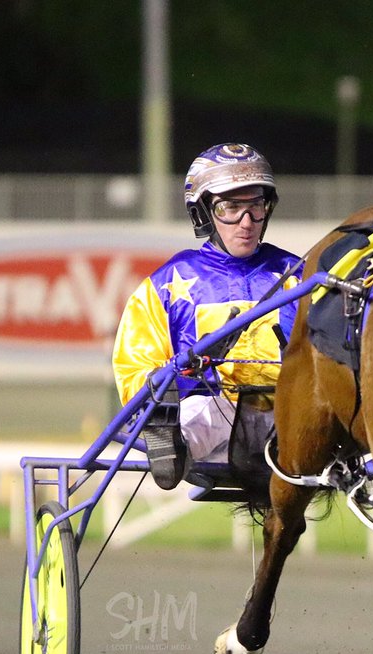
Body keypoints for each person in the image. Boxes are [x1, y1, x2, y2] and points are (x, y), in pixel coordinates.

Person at [112, 143, 301, 489]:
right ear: (203, 213)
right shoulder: (167, 284)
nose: (247, 222)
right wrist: (168, 379)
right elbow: (133, 370)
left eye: (256, 207)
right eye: (231, 208)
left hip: (288, 413)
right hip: (213, 414)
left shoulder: (298, 274)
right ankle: (172, 446)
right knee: (197, 415)